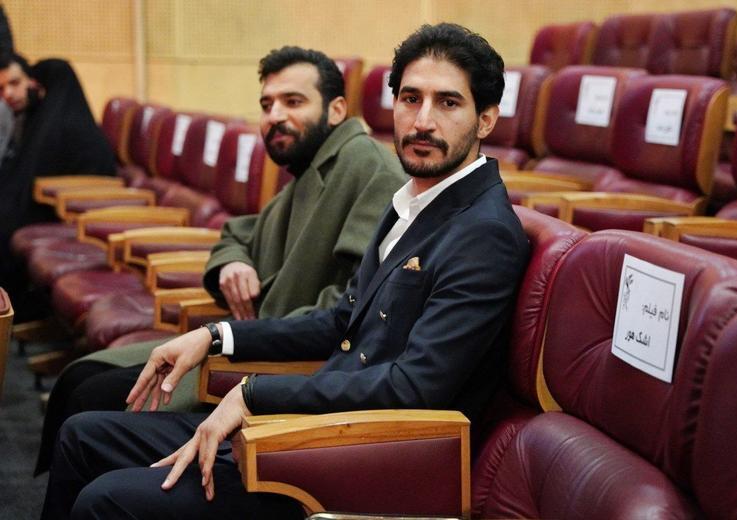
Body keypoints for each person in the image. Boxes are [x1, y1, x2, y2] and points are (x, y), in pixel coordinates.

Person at [42, 23, 530, 519]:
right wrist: (215, 336)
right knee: (82, 437)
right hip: (308, 424)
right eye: (410, 99)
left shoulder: (483, 232)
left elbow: (414, 388)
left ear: (485, 120)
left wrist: (255, 394)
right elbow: (340, 320)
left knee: (105, 500)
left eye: (447, 103)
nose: (422, 121)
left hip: (354, 458)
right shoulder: (413, 200)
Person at [34, 46, 406, 475]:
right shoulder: (313, 165)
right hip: (249, 341)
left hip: (281, 364)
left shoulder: (369, 169)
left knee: (90, 399)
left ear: (337, 109)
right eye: (266, 105)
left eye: (293, 101)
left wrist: (234, 338)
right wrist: (233, 264)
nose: (275, 116)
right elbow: (237, 233)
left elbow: (352, 312)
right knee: (78, 378)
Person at [0, 54, 115, 317]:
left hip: (79, 217)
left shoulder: (67, 127)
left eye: (16, 83)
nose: (9, 94)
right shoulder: (39, 120)